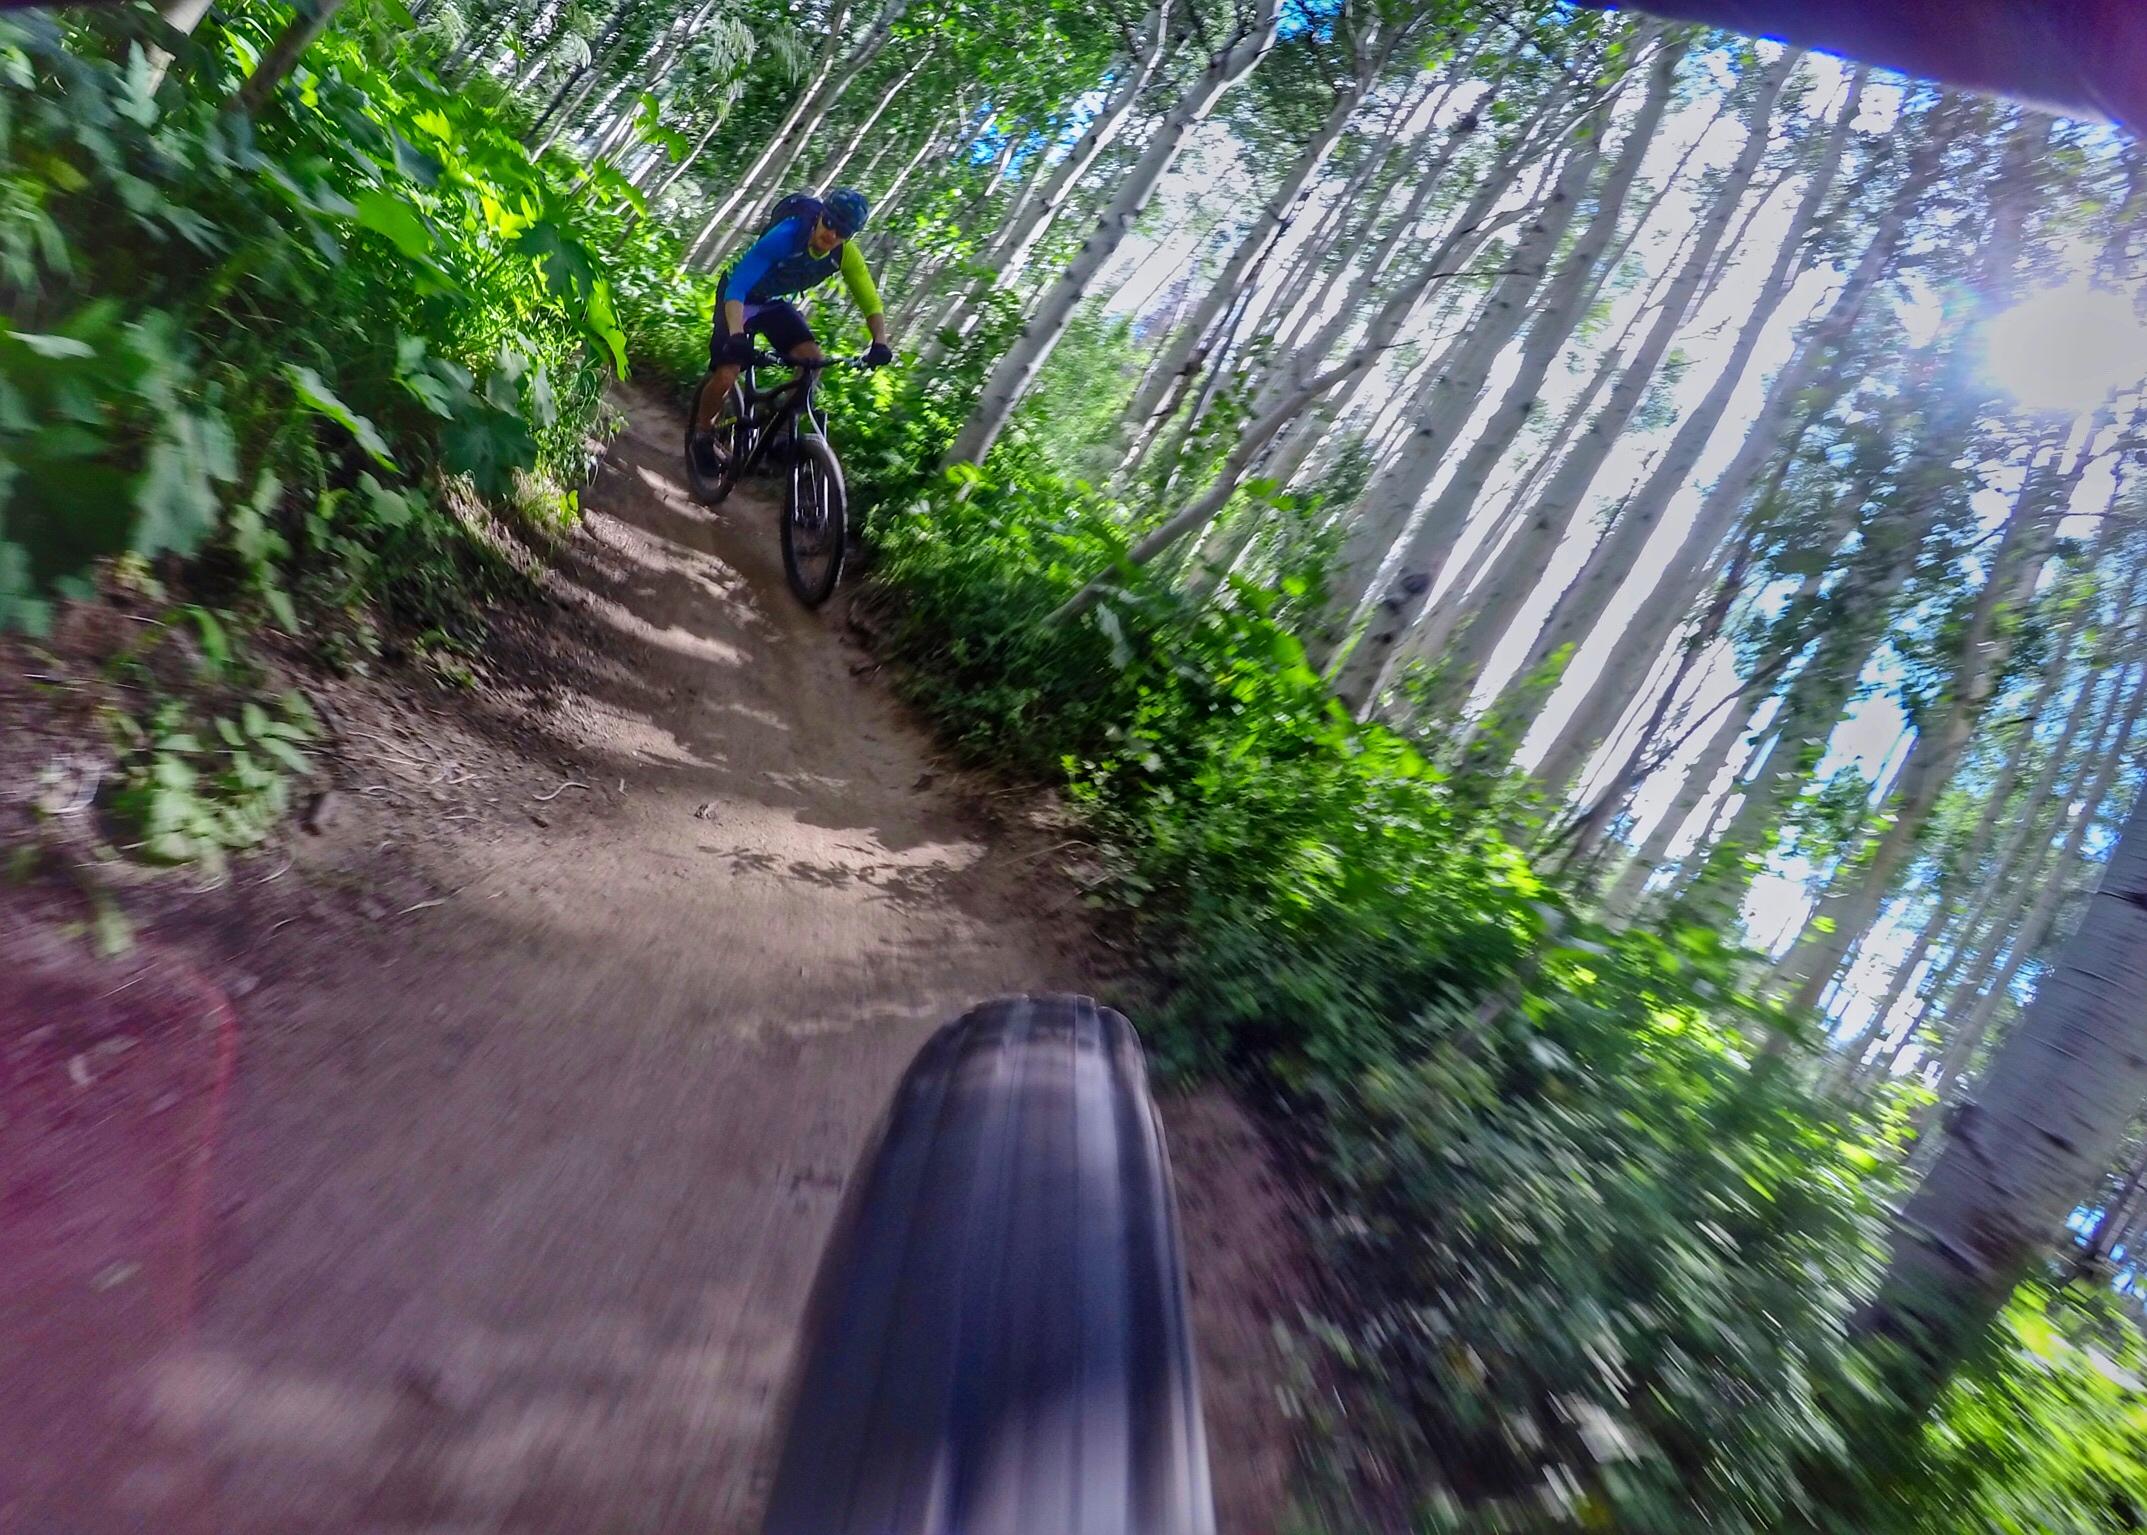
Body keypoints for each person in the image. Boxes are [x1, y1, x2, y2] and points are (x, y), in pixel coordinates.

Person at [689, 187, 894, 479]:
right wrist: (736, 335)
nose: (832, 235)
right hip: (739, 296)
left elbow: (870, 302)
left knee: (812, 362)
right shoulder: (786, 235)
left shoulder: (845, 256)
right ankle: (702, 433)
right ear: (820, 216)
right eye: (830, 224)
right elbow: (737, 287)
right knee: (726, 372)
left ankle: (781, 433)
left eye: (843, 232)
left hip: (772, 303)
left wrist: (880, 342)